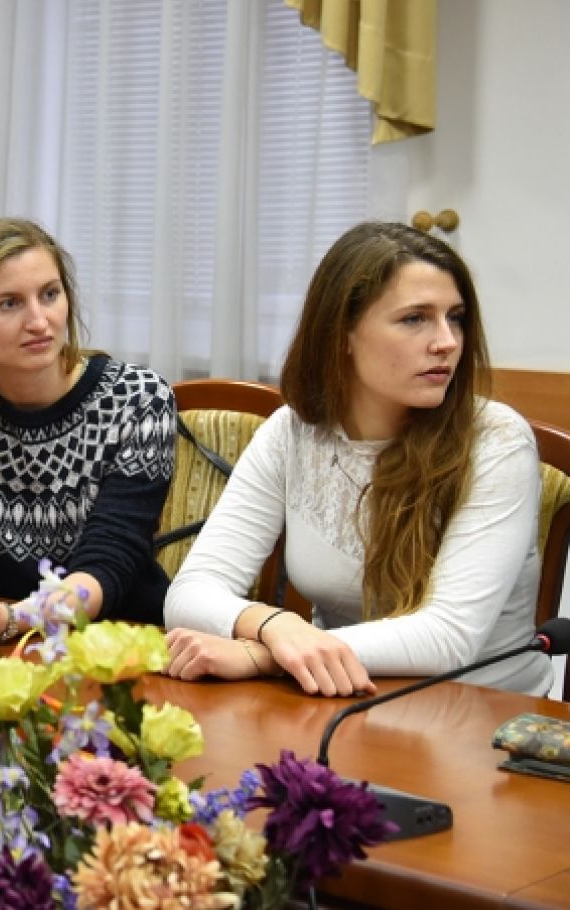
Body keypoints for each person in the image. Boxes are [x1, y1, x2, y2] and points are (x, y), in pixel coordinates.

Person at [165, 222, 551, 697]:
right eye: (415, 318)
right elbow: (190, 593)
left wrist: (265, 655)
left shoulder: (498, 441)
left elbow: (447, 638)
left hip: (479, 711)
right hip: (340, 699)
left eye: (455, 317)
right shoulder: (292, 432)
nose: (447, 341)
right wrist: (272, 624)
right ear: (341, 333)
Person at [0, 218, 176, 648]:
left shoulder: (138, 400)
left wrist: (15, 619)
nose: (39, 320)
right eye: (9, 303)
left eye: (50, 294)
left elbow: (109, 561)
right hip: (1, 646)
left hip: (122, 642)